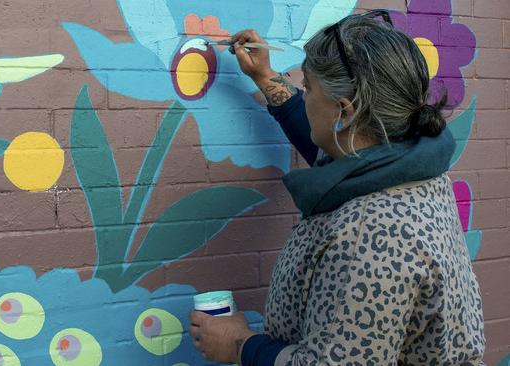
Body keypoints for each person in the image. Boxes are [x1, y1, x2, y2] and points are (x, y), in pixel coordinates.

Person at [189, 10, 486, 366]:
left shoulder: (373, 236)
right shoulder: (406, 165)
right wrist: (267, 79)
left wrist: (239, 344)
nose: (304, 93)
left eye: (308, 87)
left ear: (344, 111)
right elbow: (331, 147)